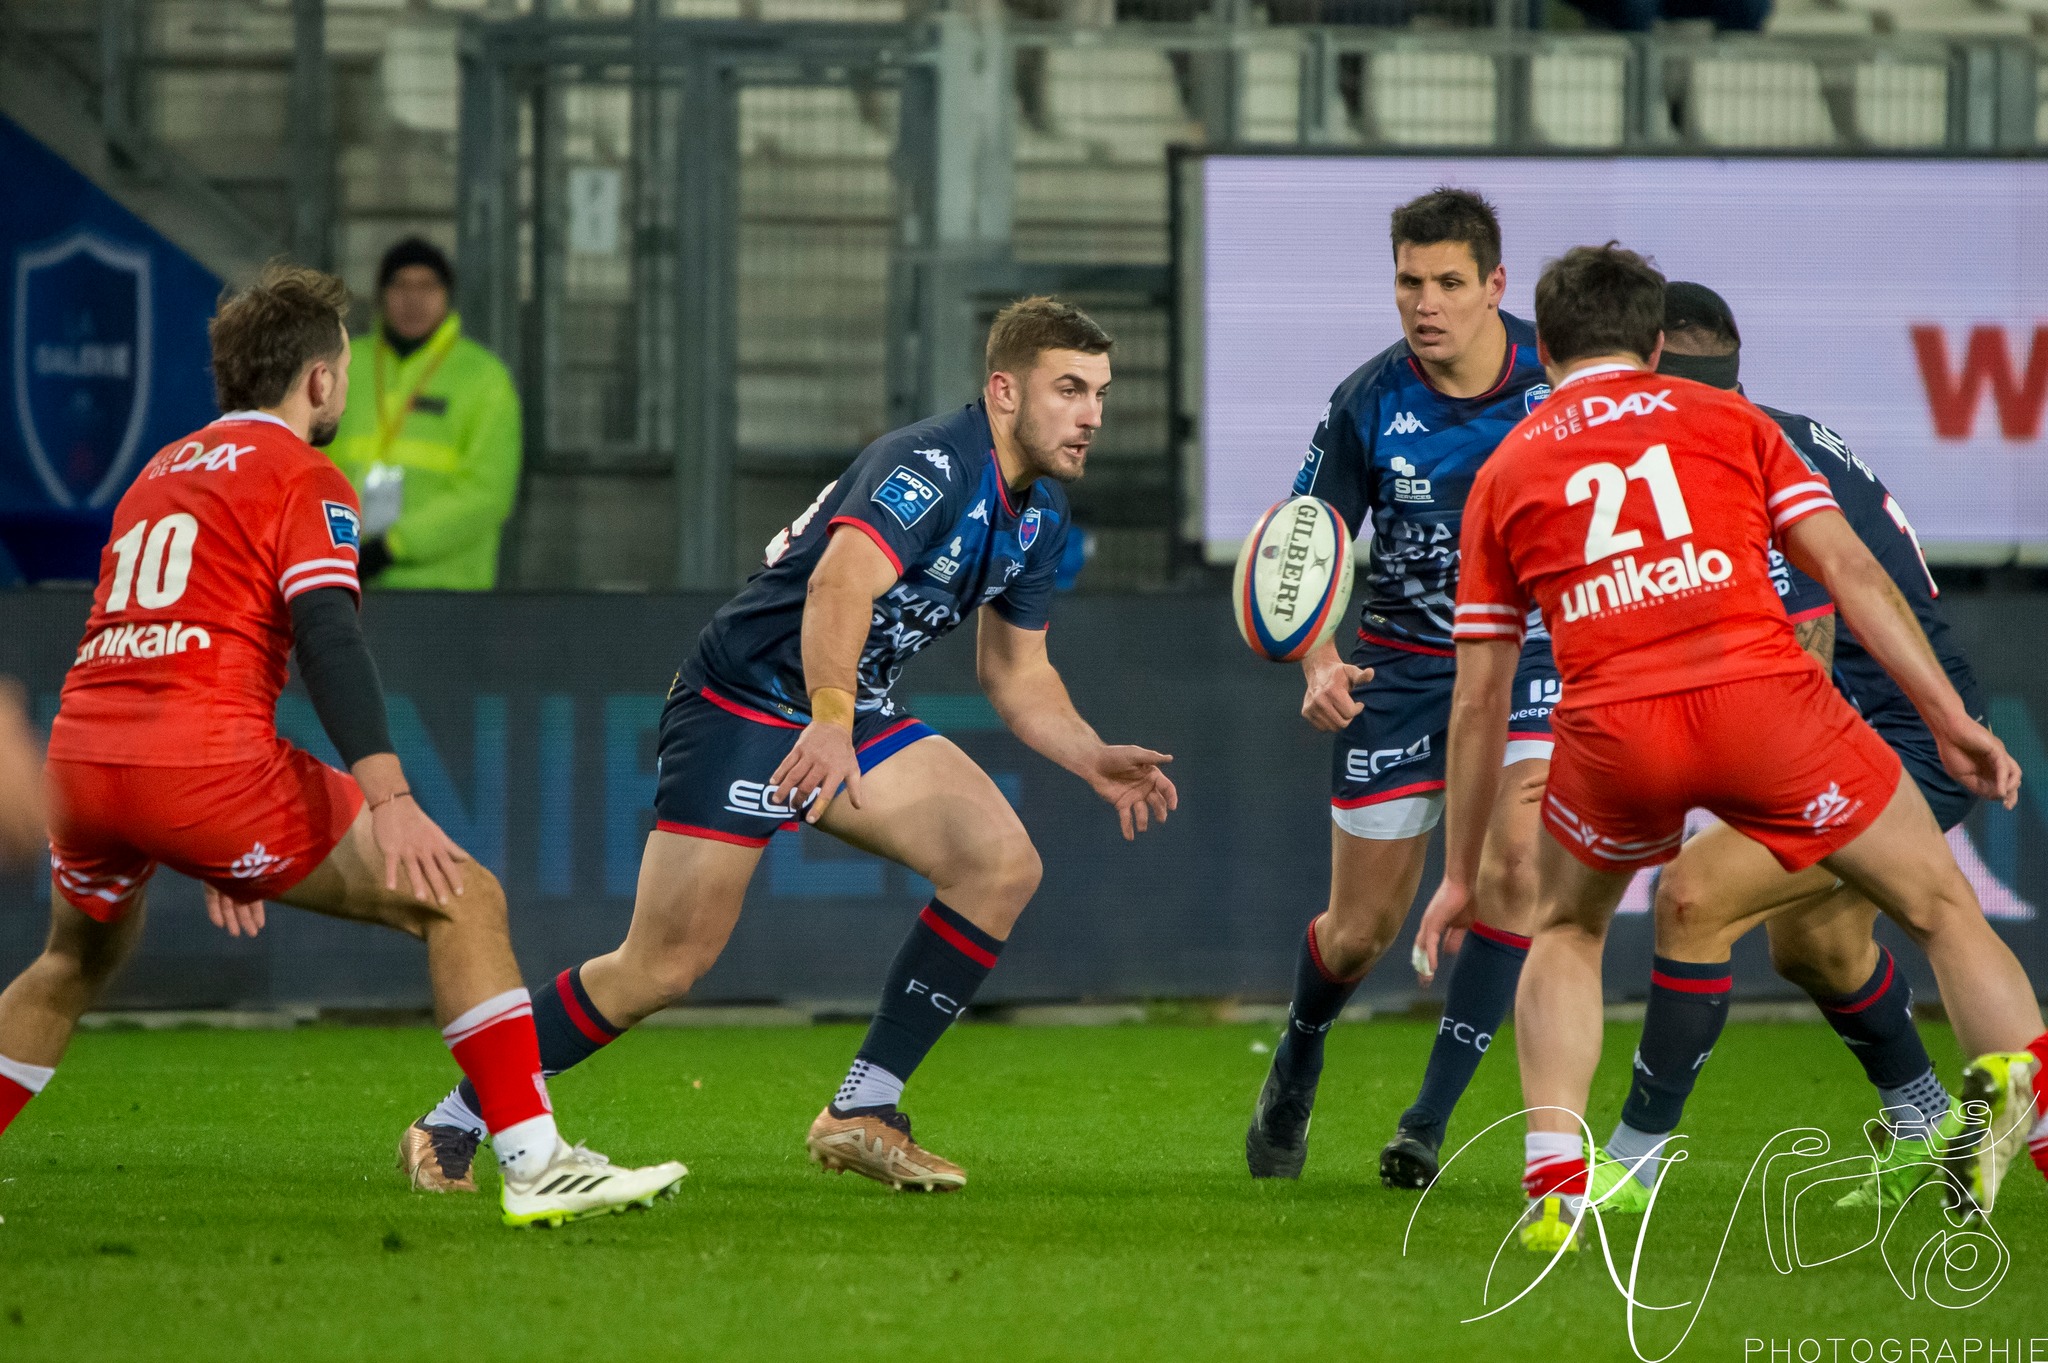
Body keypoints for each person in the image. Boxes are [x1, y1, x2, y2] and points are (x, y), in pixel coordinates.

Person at [398, 296, 1177, 1195]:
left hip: (842, 707)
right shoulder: (932, 465)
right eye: (1069, 389)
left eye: (1101, 393)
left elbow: (1016, 672)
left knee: (999, 864)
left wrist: (1089, 754)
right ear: (1004, 391)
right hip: (743, 701)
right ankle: (452, 1120)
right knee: (661, 966)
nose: (1092, 415)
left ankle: (863, 1108)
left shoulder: (1038, 515)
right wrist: (831, 721)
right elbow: (838, 586)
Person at [0, 263, 684, 1229]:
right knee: (463, 898)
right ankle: (535, 1162)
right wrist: (390, 796)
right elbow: (327, 635)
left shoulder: (159, 472)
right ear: (318, 379)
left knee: (70, 964)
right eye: (345, 373)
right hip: (203, 767)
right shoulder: (306, 476)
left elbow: (166, 639)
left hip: (84, 759)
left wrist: (198, 830)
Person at [1428, 244, 2045, 1252]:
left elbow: (1479, 695)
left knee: (1573, 927)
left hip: (1616, 725)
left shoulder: (1504, 468)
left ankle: (1562, 1180)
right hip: (1769, 704)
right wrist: (1950, 718)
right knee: (1931, 909)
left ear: (1541, 349)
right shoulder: (1735, 423)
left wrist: (1461, 872)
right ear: (1652, 345)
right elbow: (1845, 569)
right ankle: (2013, 1123)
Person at [1244, 188, 1564, 1189]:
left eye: (1449, 283)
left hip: (1529, 663)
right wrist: (1318, 660)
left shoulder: (1555, 383)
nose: (1426, 304)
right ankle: (1298, 1054)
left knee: (1515, 864)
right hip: (1403, 670)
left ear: (1495, 285)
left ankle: (1425, 1122)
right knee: (1360, 931)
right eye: (1408, 282)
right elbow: (1302, 549)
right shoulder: (1368, 401)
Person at [325, 237, 521, 590]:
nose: (413, 299)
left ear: (447, 295)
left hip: (447, 590)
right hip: (343, 580)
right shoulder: (344, 364)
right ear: (381, 295)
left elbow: (487, 493)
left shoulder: (485, 378)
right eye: (400, 285)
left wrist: (393, 546)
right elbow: (311, 462)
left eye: (427, 286)